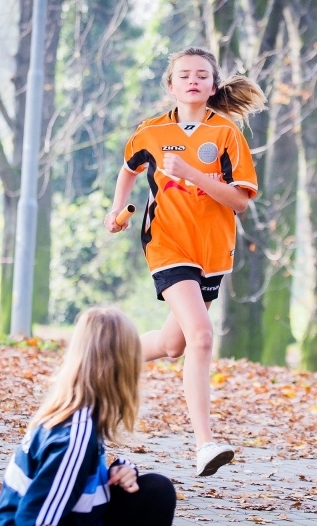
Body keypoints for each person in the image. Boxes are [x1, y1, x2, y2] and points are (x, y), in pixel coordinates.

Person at [104, 46, 266, 477]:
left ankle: (102, 361)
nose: (192, 81)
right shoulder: (150, 132)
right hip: (166, 243)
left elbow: (239, 203)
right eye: (184, 75)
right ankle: (204, 444)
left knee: (174, 345)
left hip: (212, 251)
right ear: (171, 85)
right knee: (201, 336)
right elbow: (128, 169)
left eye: (201, 75)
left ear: (212, 87)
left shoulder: (227, 135)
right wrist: (116, 209)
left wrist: (193, 175)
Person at [0, 307, 176, 526]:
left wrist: (119, 470)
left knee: (156, 490)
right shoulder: (73, 437)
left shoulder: (80, 416)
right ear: (123, 368)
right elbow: (36, 521)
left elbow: (78, 483)